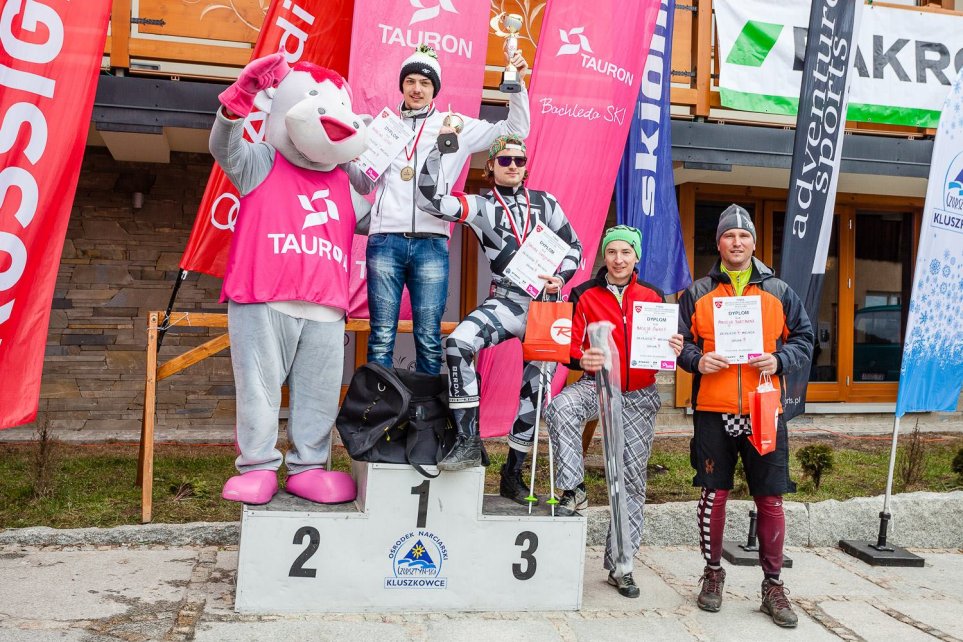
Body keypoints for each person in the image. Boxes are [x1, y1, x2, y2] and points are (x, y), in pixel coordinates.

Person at [210, 54, 370, 505]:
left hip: (325, 306)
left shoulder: (344, 183)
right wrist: (238, 101)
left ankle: (309, 466)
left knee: (319, 394)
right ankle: (258, 465)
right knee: (259, 389)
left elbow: (386, 216)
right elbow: (225, 147)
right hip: (264, 299)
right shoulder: (261, 161)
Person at [346, 44, 531, 376]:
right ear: (402, 85)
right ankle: (381, 419)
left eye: (425, 83)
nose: (417, 89)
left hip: (431, 242)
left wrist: (517, 85)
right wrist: (346, 151)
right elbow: (363, 184)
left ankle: (425, 422)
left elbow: (514, 132)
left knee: (428, 339)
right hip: (385, 240)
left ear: (435, 89)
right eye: (411, 81)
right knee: (381, 338)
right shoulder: (382, 127)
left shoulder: (455, 124)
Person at [416, 134, 582, 487]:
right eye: (504, 160)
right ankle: (468, 440)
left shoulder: (546, 202)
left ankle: (513, 473)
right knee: (458, 345)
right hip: (505, 300)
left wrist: (561, 276)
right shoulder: (482, 205)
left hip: (544, 306)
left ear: (526, 167)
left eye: (519, 161)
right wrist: (437, 152)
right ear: (490, 165)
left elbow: (575, 247)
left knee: (534, 391)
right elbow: (429, 200)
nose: (512, 166)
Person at [677, 204, 813, 628]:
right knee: (713, 493)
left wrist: (780, 358)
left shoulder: (780, 290)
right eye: (728, 236)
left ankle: (773, 585)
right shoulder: (697, 292)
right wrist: (697, 362)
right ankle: (713, 574)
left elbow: (806, 338)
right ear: (718, 243)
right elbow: (678, 344)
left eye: (744, 236)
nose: (736, 242)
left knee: (770, 497)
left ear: (754, 242)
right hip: (715, 411)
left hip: (764, 407)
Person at [545, 226, 683, 598]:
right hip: (597, 386)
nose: (619, 259)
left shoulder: (653, 296)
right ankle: (573, 487)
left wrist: (675, 345)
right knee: (560, 408)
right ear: (604, 256)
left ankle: (621, 566)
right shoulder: (585, 293)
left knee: (630, 479)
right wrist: (580, 356)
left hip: (638, 394)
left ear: (636, 257)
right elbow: (570, 343)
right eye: (612, 252)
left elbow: (671, 345)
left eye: (626, 252)